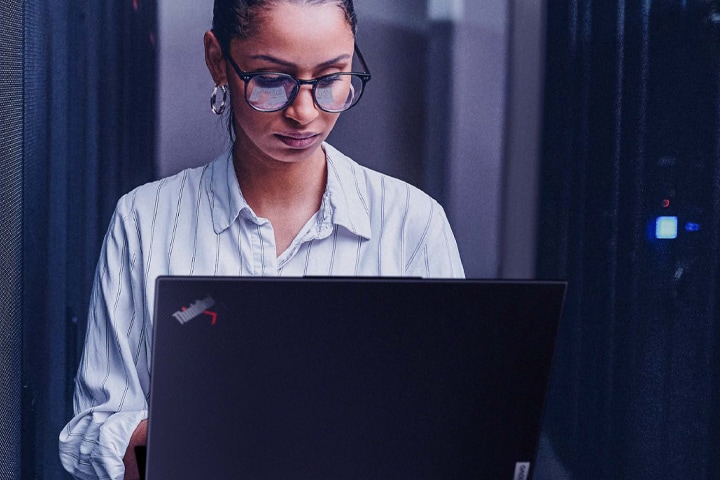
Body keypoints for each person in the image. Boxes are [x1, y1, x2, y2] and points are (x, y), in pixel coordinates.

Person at [58, 0, 464, 478]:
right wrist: (231, 434)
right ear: (217, 61)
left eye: (332, 77)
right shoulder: (145, 221)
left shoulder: (413, 225)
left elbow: (453, 425)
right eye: (272, 80)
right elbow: (92, 432)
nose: (304, 112)